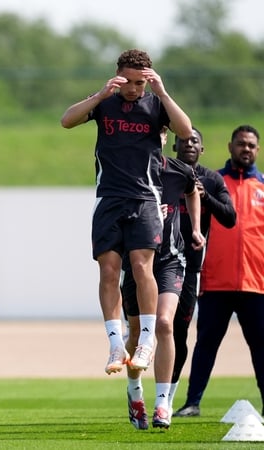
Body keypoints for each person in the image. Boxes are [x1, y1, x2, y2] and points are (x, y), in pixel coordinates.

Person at [60, 48, 192, 375]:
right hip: (109, 198)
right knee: (108, 270)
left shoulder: (156, 105)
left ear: (147, 81)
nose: (133, 89)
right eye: (128, 82)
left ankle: (145, 341)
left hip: (145, 199)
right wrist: (100, 94)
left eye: (139, 83)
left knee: (140, 265)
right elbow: (67, 120)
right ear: (118, 77)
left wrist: (161, 91)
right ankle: (116, 343)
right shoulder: (105, 103)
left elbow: (186, 131)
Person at [173, 125, 264, 418]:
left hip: (256, 283)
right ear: (230, 146)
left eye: (251, 145)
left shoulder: (263, 187)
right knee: (205, 345)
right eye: (241, 144)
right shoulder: (212, 181)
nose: (246, 149)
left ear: (257, 150)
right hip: (215, 281)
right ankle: (192, 402)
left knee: (261, 349)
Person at [121, 136, 204, 430]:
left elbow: (193, 191)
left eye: (159, 132)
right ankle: (134, 391)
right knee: (134, 333)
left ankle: (162, 403)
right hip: (137, 263)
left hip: (171, 260)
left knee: (165, 324)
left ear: (165, 137)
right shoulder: (127, 171)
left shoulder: (178, 170)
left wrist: (195, 228)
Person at [168, 128, 236, 415]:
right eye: (184, 140)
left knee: (179, 333)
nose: (189, 144)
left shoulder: (211, 180)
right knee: (145, 328)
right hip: (159, 262)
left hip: (189, 267)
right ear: (175, 146)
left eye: (194, 140)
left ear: (202, 149)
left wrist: (205, 197)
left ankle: (166, 398)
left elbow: (230, 218)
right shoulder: (164, 173)